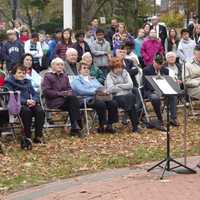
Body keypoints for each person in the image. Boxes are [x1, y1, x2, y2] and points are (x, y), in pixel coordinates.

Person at [71, 61, 118, 133]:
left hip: (99, 97)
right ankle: (101, 125)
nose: (87, 69)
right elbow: (81, 90)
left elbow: (101, 87)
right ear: (79, 70)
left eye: (88, 68)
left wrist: (104, 91)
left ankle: (110, 125)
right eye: (84, 68)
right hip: (86, 100)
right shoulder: (76, 80)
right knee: (101, 104)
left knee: (113, 103)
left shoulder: (93, 79)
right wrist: (95, 92)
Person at [5, 64, 45, 147]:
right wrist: (26, 101)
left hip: (30, 103)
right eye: (19, 73)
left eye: (23, 73)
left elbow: (35, 94)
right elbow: (11, 97)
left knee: (40, 111)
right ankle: (27, 136)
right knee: (27, 112)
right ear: (14, 73)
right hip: (17, 105)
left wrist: (34, 100)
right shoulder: (9, 82)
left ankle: (38, 136)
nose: (22, 75)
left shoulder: (27, 82)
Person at [42, 57, 82, 136]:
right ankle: (77, 124)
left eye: (62, 65)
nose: (60, 66)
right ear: (52, 65)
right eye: (58, 64)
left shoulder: (65, 76)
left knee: (73, 100)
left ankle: (75, 126)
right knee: (73, 101)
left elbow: (69, 88)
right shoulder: (48, 76)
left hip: (66, 101)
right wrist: (61, 94)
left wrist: (69, 93)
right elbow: (46, 92)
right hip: (53, 101)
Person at [105, 57, 140, 133]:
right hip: (116, 97)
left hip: (127, 96)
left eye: (120, 67)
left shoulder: (125, 73)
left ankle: (135, 125)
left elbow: (130, 85)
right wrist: (124, 86)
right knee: (131, 101)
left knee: (129, 98)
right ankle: (135, 126)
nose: (119, 69)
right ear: (112, 68)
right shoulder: (109, 76)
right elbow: (110, 89)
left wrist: (118, 85)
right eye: (117, 68)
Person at [143, 54, 178, 129]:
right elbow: (146, 84)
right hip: (150, 90)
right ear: (153, 61)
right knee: (155, 98)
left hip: (163, 89)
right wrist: (155, 90)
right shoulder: (147, 70)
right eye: (157, 64)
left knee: (173, 95)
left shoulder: (165, 70)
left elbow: (167, 82)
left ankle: (173, 118)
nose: (159, 66)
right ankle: (160, 118)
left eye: (160, 64)